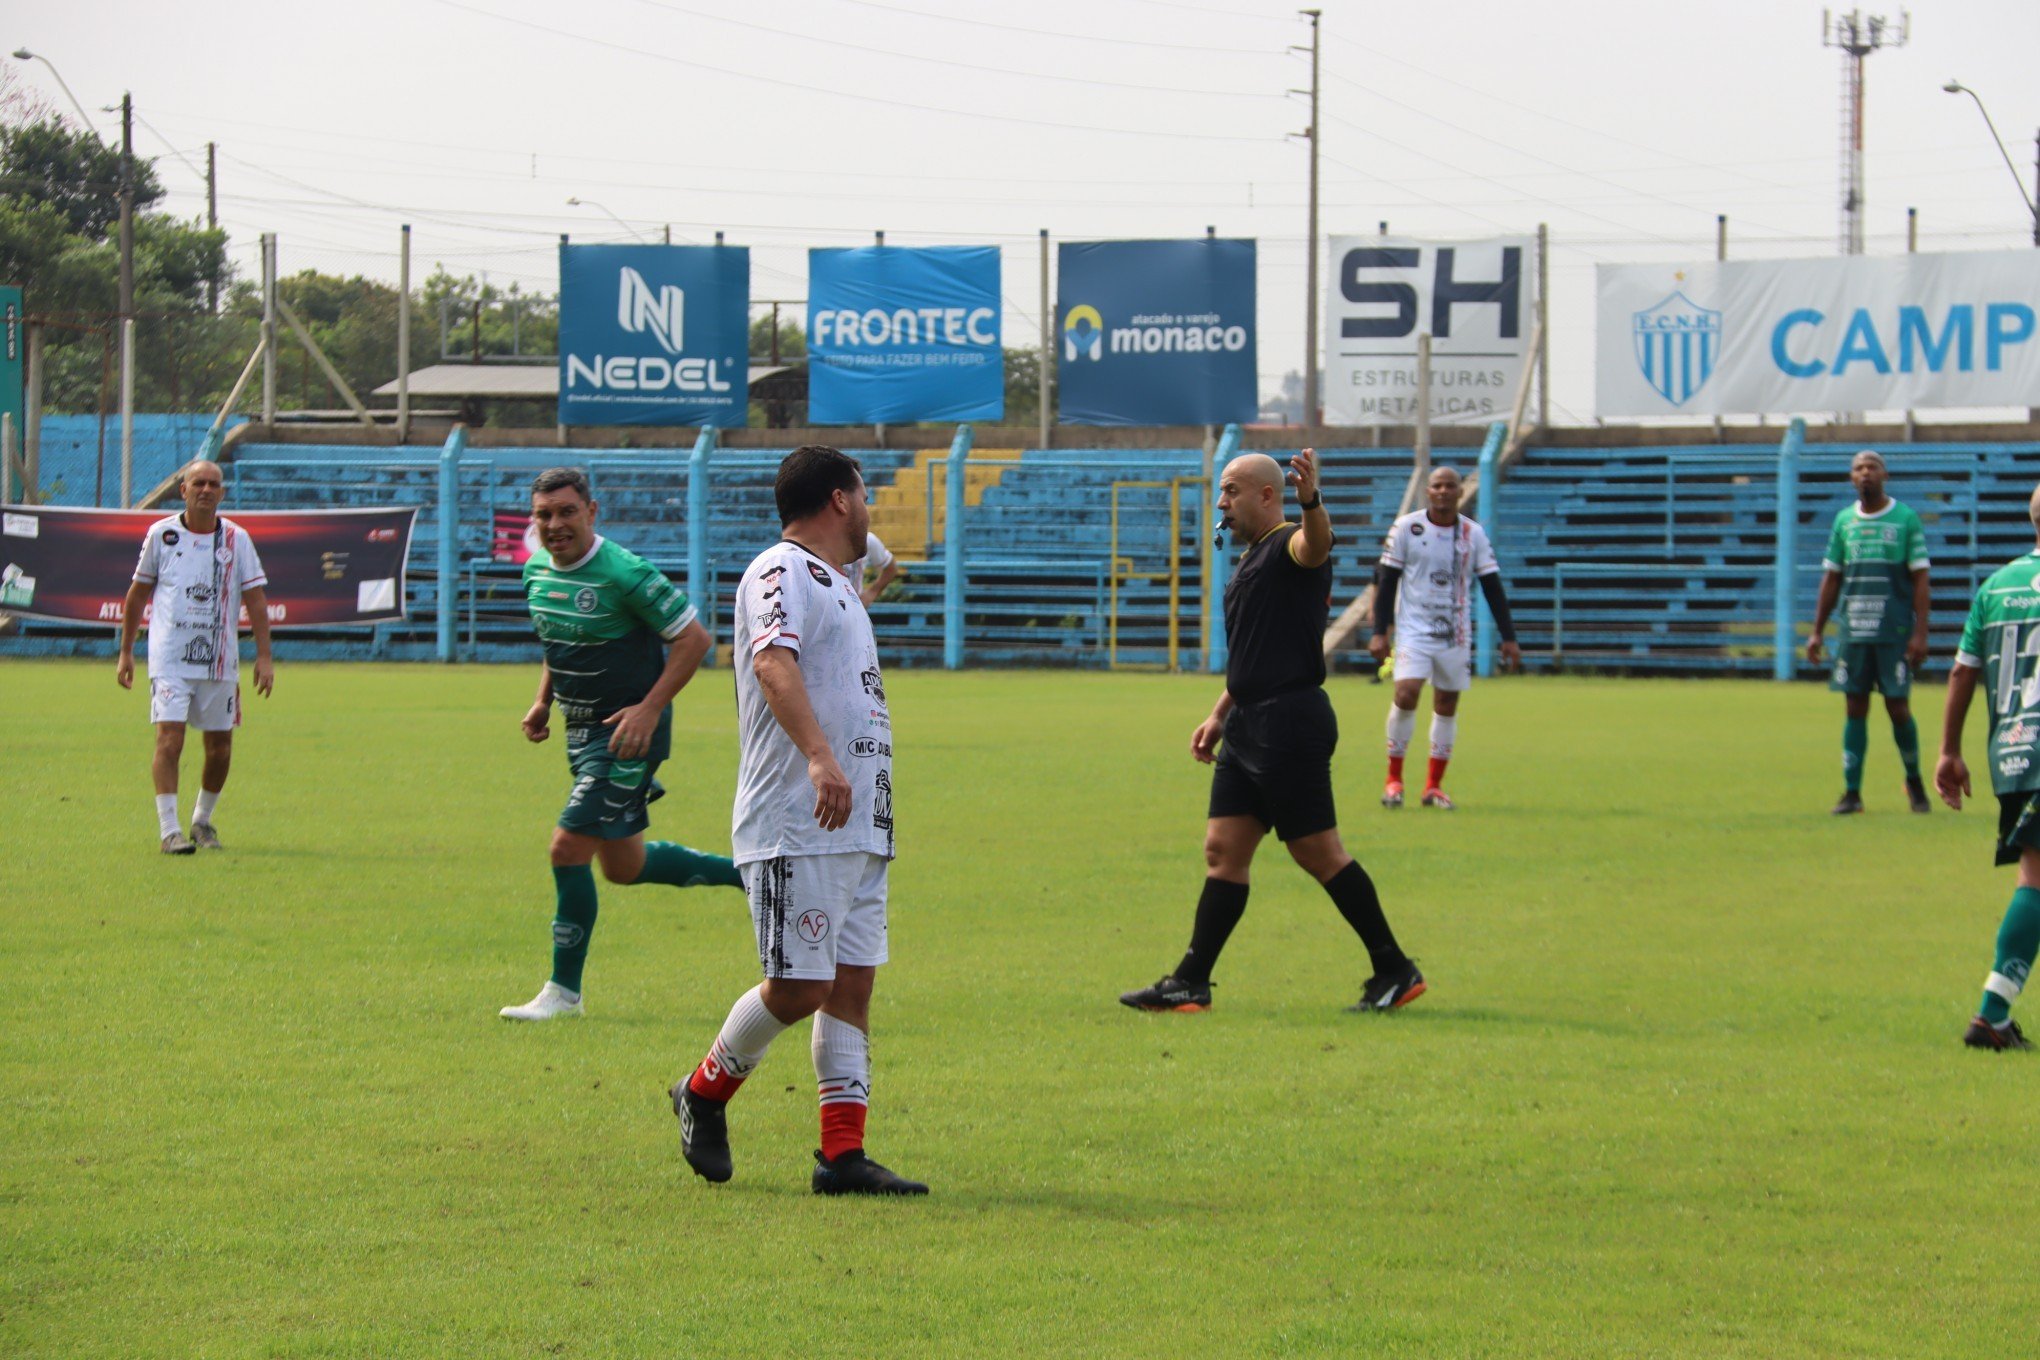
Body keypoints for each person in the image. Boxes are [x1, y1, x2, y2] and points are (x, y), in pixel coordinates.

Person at [672, 445, 926, 1195]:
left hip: (858, 820)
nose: (871, 507)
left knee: (850, 985)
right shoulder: (778, 569)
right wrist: (819, 756)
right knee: (798, 985)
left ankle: (842, 1158)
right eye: (865, 493)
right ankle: (703, 1091)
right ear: (842, 500)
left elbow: (876, 566)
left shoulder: (837, 583)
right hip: (797, 819)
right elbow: (773, 663)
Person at [1119, 448, 1424, 1015]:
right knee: (1223, 850)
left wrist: (1312, 499)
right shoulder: (1254, 557)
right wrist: (1219, 713)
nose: (1221, 502)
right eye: (1221, 491)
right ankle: (1191, 982)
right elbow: (1259, 652)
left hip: (1289, 723)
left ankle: (1394, 968)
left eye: (1231, 490)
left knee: (1319, 853)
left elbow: (1317, 544)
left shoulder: (1289, 542)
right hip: (1251, 722)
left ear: (1267, 494)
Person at [499, 467, 741, 1023]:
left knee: (566, 848)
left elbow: (694, 639)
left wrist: (649, 708)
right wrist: (544, 701)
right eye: (544, 514)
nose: (555, 524)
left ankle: (564, 995)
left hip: (627, 739)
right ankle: (753, 876)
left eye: (566, 511)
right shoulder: (536, 570)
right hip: (580, 735)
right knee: (623, 867)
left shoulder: (625, 573)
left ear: (591, 511)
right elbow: (558, 640)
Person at [115, 459, 274, 854]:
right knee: (170, 740)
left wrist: (265, 656)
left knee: (220, 747)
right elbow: (137, 595)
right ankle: (170, 831)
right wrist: (126, 652)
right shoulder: (162, 535)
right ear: (182, 490)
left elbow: (255, 600)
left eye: (213, 484)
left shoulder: (238, 540)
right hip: (170, 659)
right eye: (198, 483)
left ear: (222, 493)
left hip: (220, 661)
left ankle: (202, 821)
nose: (206, 489)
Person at [1936, 484, 2040, 1050]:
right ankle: (1991, 1014)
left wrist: (1949, 751)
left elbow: (1961, 673)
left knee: (2037, 875)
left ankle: (1993, 1015)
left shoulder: (1996, 587)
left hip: (2015, 751)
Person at [1368, 466, 1522, 810]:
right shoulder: (1407, 527)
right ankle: (1393, 780)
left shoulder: (1474, 534)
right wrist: (1380, 631)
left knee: (1447, 704)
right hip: (1413, 630)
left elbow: (1493, 587)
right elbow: (1387, 579)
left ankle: (1433, 787)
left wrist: (1508, 637)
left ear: (1459, 492)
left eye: (1450, 486)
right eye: (1436, 485)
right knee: (1406, 693)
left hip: (1454, 632)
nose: (1443, 491)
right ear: (1428, 491)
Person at [1808, 449, 1932, 816]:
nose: (1865, 473)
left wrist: (1920, 632)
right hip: (1854, 631)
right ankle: (1852, 793)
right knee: (1854, 706)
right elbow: (1832, 578)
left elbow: (1921, 578)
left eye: (1872, 467)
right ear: (1851, 478)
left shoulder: (1905, 519)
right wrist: (1817, 631)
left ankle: (1914, 780)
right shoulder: (1844, 521)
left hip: (1893, 631)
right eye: (1859, 468)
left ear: (1885, 475)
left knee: (1898, 707)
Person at [845, 530, 900, 608]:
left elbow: (891, 568)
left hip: (853, 608)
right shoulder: (823, 540)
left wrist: (872, 592)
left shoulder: (867, 540)